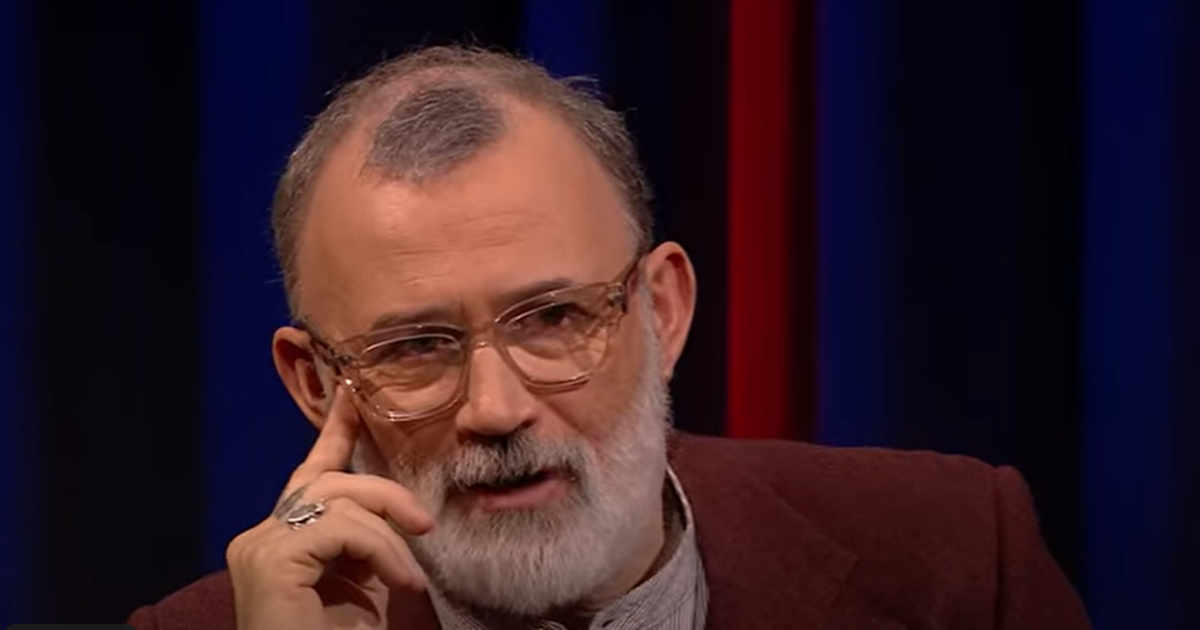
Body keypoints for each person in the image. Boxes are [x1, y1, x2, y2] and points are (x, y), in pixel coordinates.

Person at [126, 45, 1092, 630]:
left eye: (553, 318)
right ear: (314, 383)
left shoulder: (957, 557)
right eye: (416, 347)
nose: (497, 411)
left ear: (662, 310)